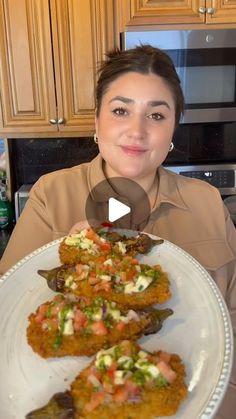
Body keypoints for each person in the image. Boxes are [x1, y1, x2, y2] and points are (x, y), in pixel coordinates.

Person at [0, 45, 235, 417]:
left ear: (174, 127)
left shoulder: (207, 202)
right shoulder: (50, 194)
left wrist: (217, 401)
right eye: (121, 110)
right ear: (96, 121)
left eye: (156, 114)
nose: (137, 131)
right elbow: (7, 313)